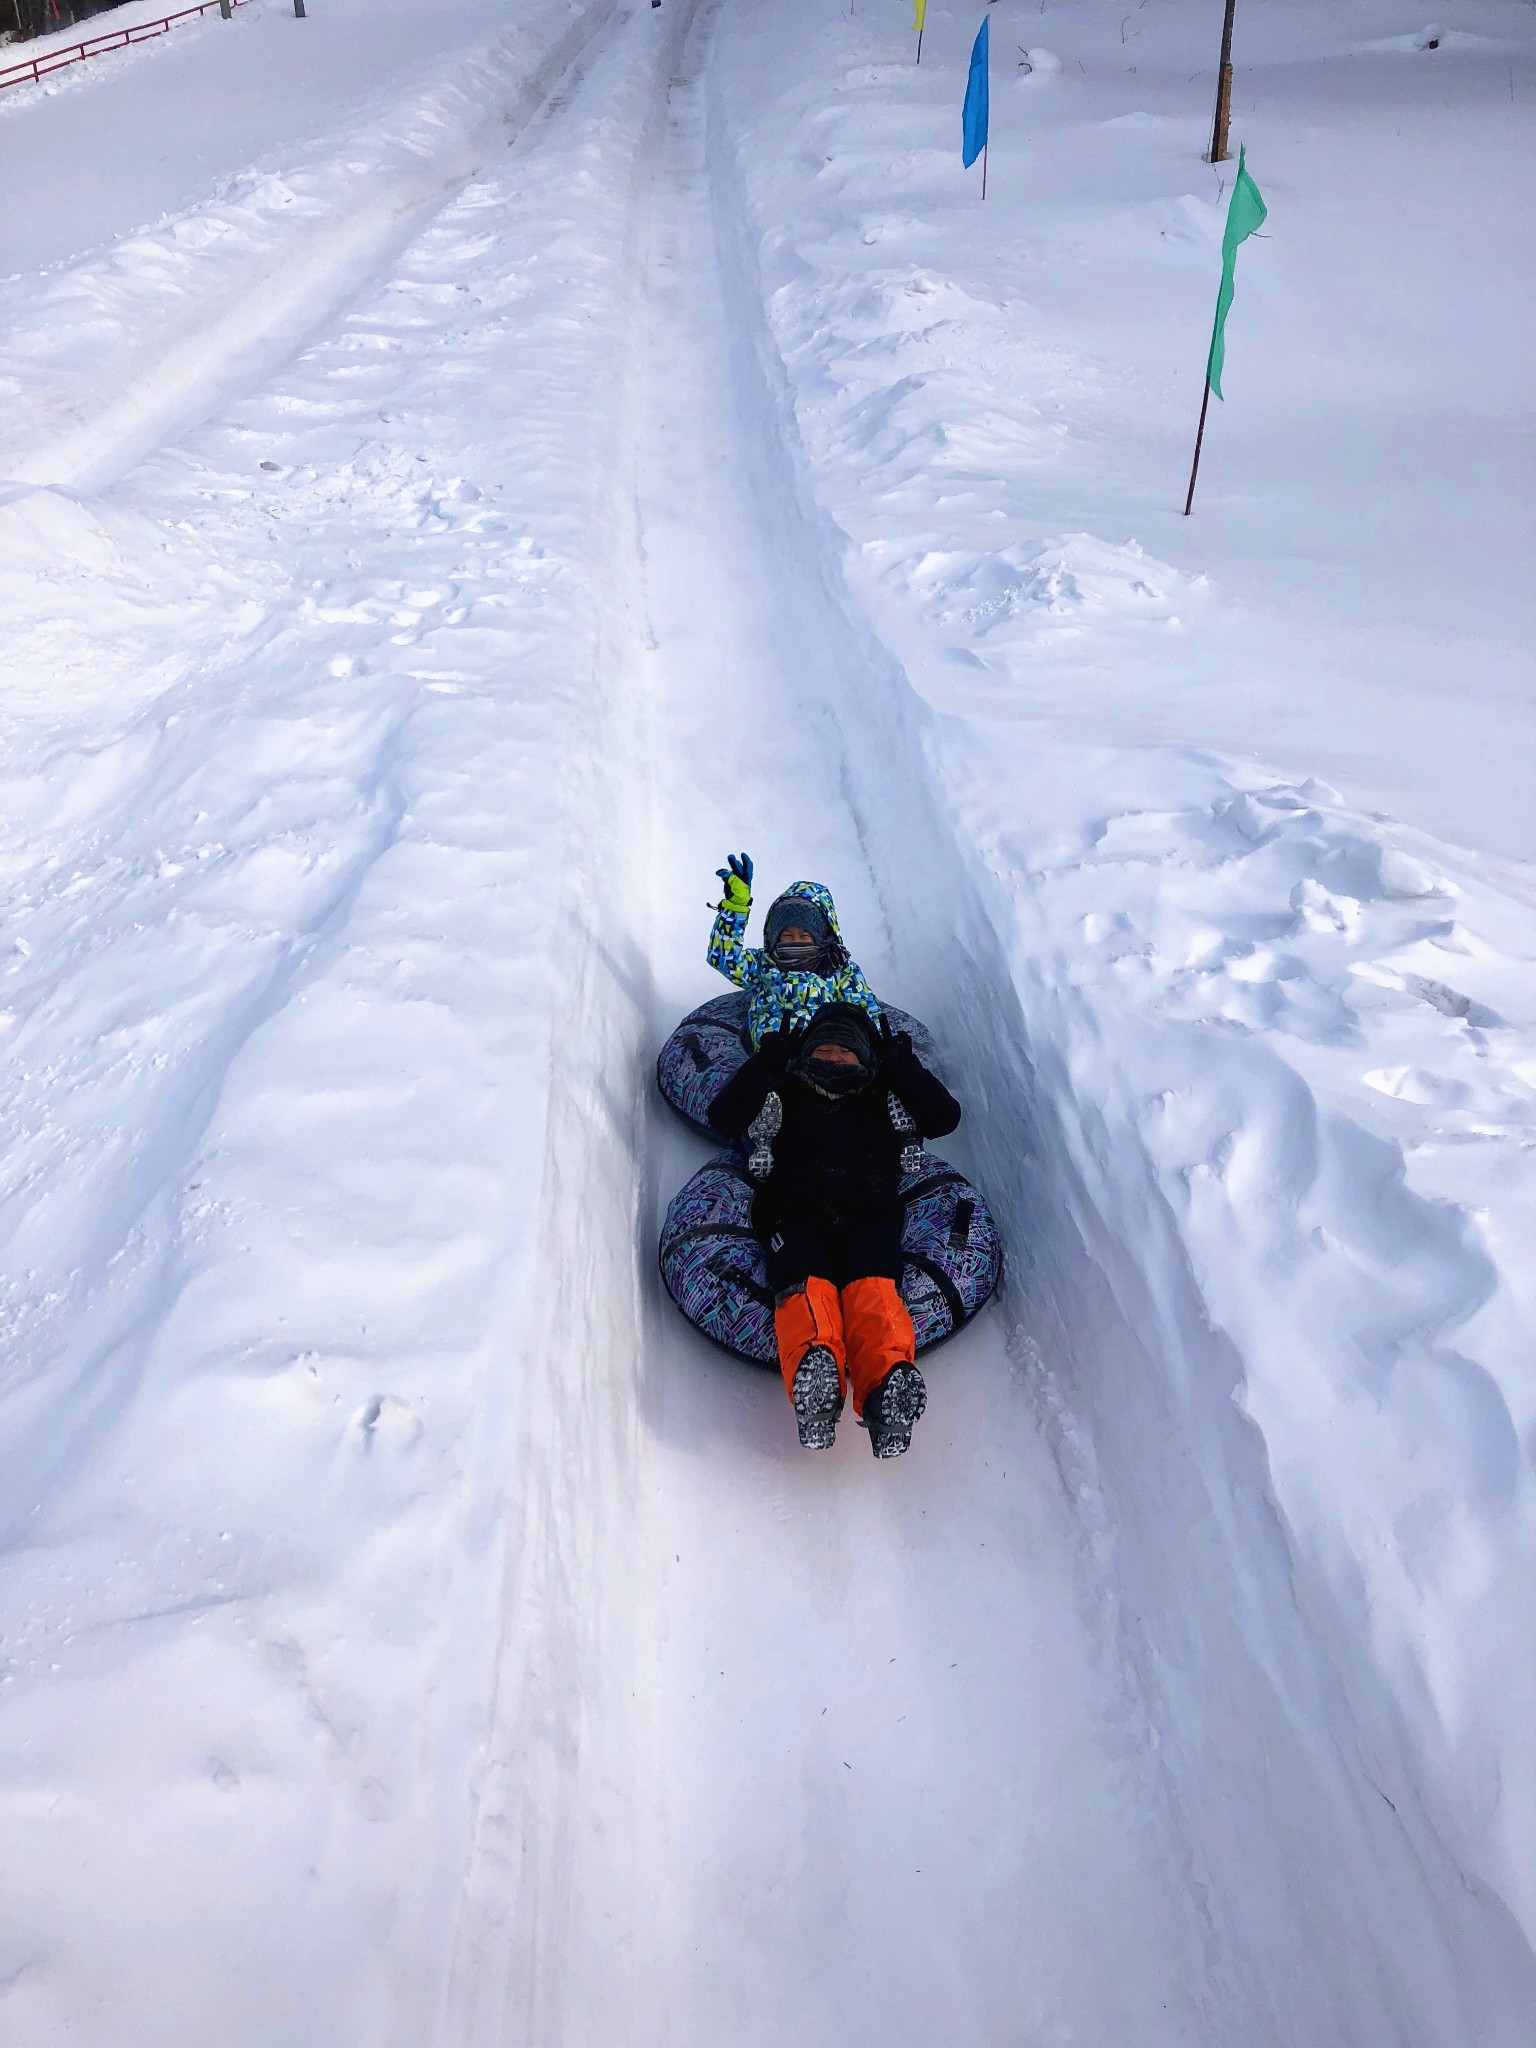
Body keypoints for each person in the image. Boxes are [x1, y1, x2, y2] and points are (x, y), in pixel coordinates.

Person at [707, 1000, 961, 1458]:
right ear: (806, 1054)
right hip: (794, 1215)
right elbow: (722, 1116)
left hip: (869, 1215)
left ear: (864, 1059)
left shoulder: (881, 1095)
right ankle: (816, 1374)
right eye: (823, 1049)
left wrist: (902, 1068)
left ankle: (886, 1390)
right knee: (806, 1284)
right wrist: (766, 1063)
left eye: (845, 1052)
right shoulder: (785, 1088)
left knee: (875, 1291)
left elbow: (945, 1117)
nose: (833, 1058)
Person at [707, 852, 883, 1050]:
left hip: (822, 1057)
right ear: (774, 936)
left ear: (822, 936)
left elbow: (865, 1012)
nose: (795, 942)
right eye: (787, 936)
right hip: (770, 1060)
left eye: (805, 936)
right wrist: (736, 908)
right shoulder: (763, 964)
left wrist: (885, 1050)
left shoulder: (841, 971)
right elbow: (724, 958)